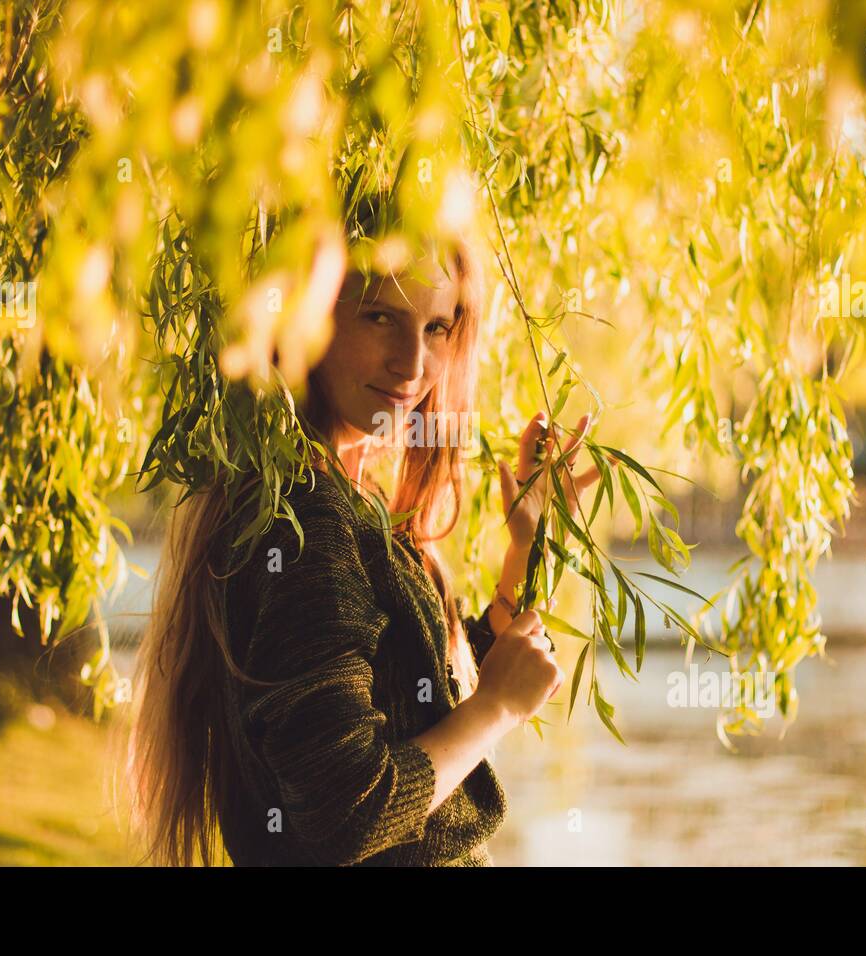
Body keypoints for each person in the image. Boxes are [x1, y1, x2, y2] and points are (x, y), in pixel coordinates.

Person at [126, 228, 601, 866]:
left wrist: (525, 550)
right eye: (380, 316)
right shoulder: (306, 521)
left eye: (438, 326)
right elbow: (347, 810)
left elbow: (417, 699)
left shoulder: (338, 494)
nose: (412, 365)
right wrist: (494, 710)